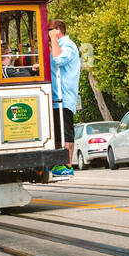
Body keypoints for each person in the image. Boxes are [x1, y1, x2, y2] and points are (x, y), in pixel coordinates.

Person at [48, 20, 80, 177]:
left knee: (66, 131)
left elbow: (59, 59)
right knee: (57, 133)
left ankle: (67, 165)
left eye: (49, 30)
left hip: (65, 97)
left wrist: (54, 38)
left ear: (57, 30)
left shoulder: (68, 45)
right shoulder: (56, 46)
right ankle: (57, 163)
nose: (47, 33)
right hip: (54, 97)